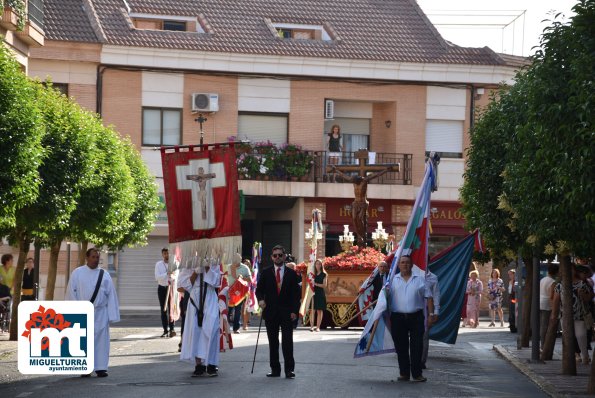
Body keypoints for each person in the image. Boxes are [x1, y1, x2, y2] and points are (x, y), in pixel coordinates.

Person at [66, 248, 120, 377]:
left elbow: (111, 295)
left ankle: (101, 367)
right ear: (87, 258)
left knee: (101, 340)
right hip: (83, 311)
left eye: (97, 257)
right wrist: (74, 311)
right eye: (93, 257)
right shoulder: (77, 273)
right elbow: (71, 292)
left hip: (100, 313)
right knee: (83, 340)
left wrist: (112, 315)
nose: (96, 260)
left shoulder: (104, 274)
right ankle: (85, 367)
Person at [256, 245, 301, 379]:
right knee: (273, 343)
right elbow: (259, 290)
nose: (277, 257)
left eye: (280, 255)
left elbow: (296, 295)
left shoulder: (291, 274)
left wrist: (294, 311)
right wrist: (260, 300)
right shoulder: (265, 272)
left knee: (287, 343)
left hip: (287, 313)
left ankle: (289, 370)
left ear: (284, 256)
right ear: (271, 257)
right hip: (271, 312)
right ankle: (275, 369)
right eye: (275, 255)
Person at [389, 255, 434, 382]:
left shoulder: (420, 280)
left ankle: (417, 374)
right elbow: (384, 297)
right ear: (398, 265)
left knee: (417, 346)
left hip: (416, 317)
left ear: (412, 264)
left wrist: (431, 314)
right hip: (398, 318)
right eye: (402, 262)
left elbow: (429, 297)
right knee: (401, 347)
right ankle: (404, 373)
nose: (405, 265)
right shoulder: (392, 280)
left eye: (407, 262)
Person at [330, 165, 397, 247]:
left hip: (363, 203)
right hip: (355, 203)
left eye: (355, 182)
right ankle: (359, 235)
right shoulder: (353, 181)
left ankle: (361, 236)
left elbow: (375, 175)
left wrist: (386, 170)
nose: (354, 183)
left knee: (361, 218)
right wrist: (335, 171)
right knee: (354, 218)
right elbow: (345, 176)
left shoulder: (364, 181)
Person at [179, 262, 222, 377]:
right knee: (196, 330)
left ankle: (212, 364)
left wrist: (207, 268)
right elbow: (182, 286)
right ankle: (199, 365)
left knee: (212, 328)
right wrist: (195, 272)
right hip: (195, 297)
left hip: (210, 295)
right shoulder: (189, 262)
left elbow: (217, 282)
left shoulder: (214, 262)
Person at [551, 264, 593, 365]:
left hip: (580, 314)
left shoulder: (582, 284)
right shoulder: (560, 285)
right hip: (565, 316)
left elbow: (590, 297)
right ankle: (573, 356)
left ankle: (585, 356)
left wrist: (583, 295)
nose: (570, 272)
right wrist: (554, 315)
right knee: (568, 336)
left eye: (572, 269)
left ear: (575, 271)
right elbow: (555, 301)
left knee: (581, 335)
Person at [227, 253, 252, 333]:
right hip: (229, 292)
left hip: (239, 294)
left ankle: (236, 328)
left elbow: (250, 279)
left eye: (237, 259)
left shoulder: (245, 268)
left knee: (238, 311)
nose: (235, 260)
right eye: (234, 258)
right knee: (228, 311)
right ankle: (225, 328)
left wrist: (242, 277)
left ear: (240, 259)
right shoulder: (228, 267)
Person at [421, 269, 440, 370]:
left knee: (424, 336)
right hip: (412, 309)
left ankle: (421, 361)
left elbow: (435, 295)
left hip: (427, 310)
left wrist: (435, 312)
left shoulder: (433, 277)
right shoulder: (413, 274)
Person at [155, 248, 176, 338]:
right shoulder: (159, 264)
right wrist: (166, 274)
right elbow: (157, 277)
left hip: (171, 288)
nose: (166, 255)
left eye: (167, 253)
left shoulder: (173, 264)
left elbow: (176, 276)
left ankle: (172, 329)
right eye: (164, 253)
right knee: (163, 310)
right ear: (162, 254)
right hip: (162, 288)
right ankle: (165, 330)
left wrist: (173, 276)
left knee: (171, 309)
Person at [539, 263, 559, 347]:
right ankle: (543, 345)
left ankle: (542, 344)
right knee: (545, 325)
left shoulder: (543, 279)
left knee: (542, 324)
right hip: (547, 304)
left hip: (540, 301)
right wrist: (553, 308)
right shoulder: (553, 282)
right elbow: (551, 296)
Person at [310, 259, 327, 332]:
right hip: (313, 293)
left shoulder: (324, 274)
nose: (318, 265)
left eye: (319, 264)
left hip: (320, 293)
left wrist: (315, 284)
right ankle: (311, 326)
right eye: (317, 264)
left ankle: (318, 327)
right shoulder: (312, 274)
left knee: (319, 310)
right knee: (312, 310)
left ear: (321, 265)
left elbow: (324, 285)